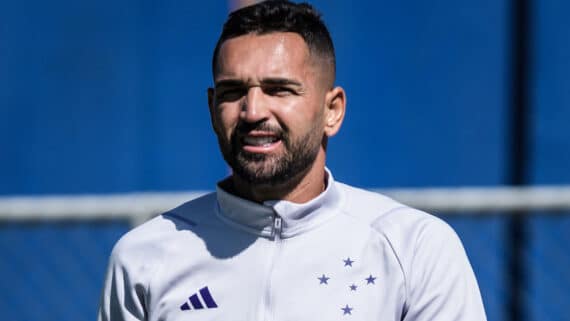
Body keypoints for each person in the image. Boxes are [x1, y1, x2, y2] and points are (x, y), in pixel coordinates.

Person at [98, 1, 487, 320]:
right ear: (212, 107)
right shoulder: (144, 256)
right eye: (233, 91)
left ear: (332, 110)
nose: (252, 111)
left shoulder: (414, 250)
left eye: (279, 90)